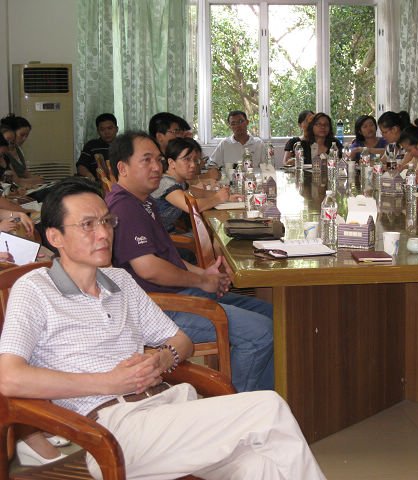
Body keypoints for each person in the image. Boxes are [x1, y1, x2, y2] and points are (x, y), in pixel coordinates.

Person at [0, 177, 326, 479]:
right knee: (268, 409)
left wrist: (162, 358)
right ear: (55, 237)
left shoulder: (119, 280)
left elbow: (180, 339)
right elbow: (8, 377)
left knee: (258, 464)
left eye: (107, 221)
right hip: (111, 430)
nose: (103, 234)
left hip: (167, 406)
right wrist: (109, 381)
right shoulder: (36, 289)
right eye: (87, 225)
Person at [106, 131, 274, 392]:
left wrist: (205, 274)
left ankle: (268, 393)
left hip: (175, 293)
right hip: (158, 307)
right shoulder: (124, 208)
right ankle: (239, 405)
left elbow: (167, 257)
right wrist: (200, 281)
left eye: (158, 160)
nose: (156, 167)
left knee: (270, 312)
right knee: (260, 332)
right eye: (146, 160)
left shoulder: (143, 201)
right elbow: (149, 269)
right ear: (122, 168)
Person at [151, 137, 236, 233]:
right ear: (171, 163)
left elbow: (201, 193)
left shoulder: (179, 182)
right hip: (159, 238)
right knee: (215, 234)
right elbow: (192, 207)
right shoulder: (166, 183)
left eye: (195, 160)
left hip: (169, 232)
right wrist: (218, 198)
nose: (193, 165)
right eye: (187, 159)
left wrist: (228, 196)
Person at [0, 115, 44, 185]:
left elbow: (24, 174)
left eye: (26, 136)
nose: (24, 139)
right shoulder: (6, 154)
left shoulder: (17, 150)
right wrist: (36, 180)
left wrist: (37, 179)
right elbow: (17, 181)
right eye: (22, 135)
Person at [76, 113, 119, 180]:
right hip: (96, 183)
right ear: (98, 131)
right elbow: (81, 166)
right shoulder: (91, 145)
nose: (106, 132)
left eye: (110, 128)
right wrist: (89, 176)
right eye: (102, 130)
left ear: (116, 129)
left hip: (121, 183)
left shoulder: (124, 145)